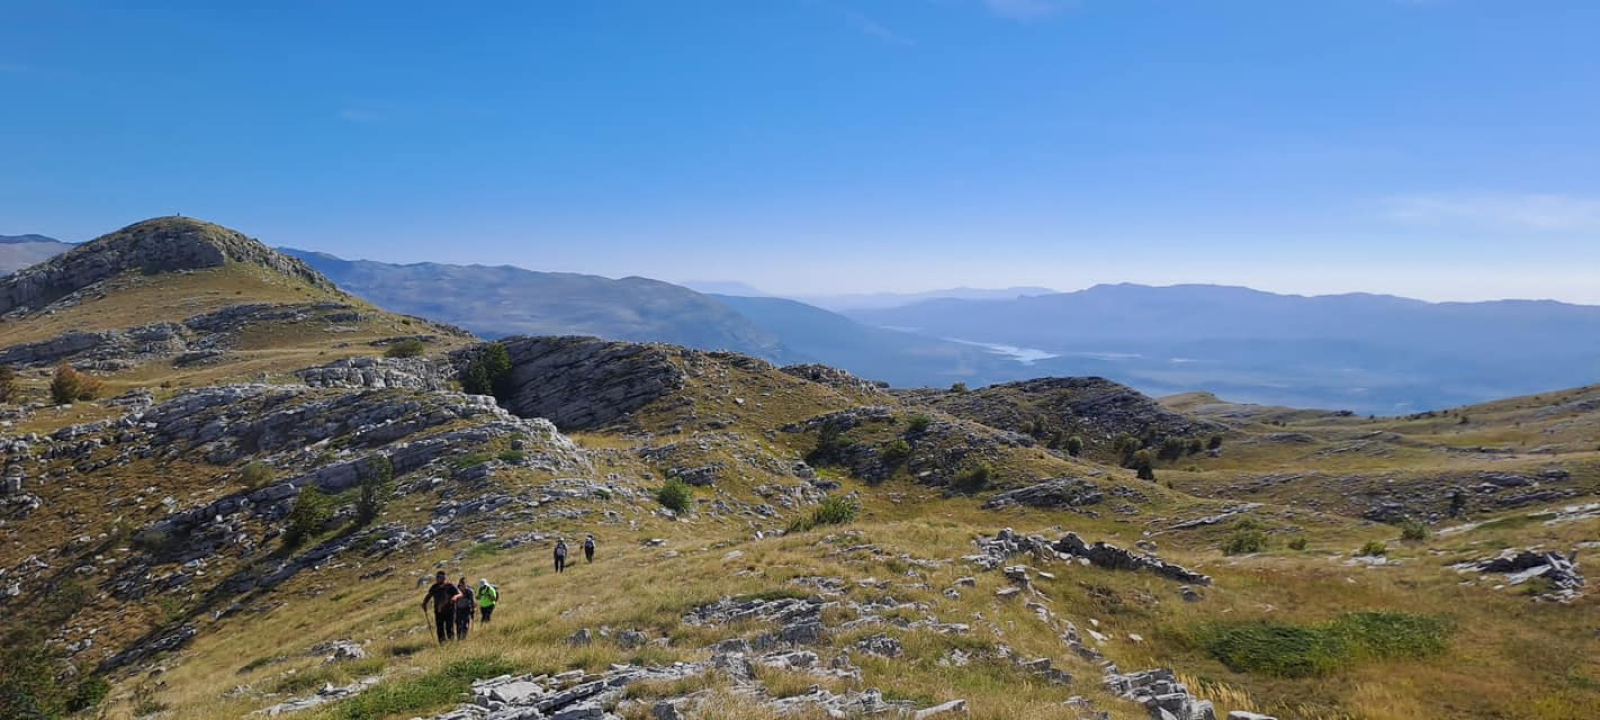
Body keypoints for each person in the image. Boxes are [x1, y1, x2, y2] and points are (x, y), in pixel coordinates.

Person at [422, 571, 458, 643]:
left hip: (449, 611)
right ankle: (442, 644)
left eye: (440, 577)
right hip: (438, 611)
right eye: (437, 577)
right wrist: (424, 603)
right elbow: (429, 595)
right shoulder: (434, 587)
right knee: (439, 629)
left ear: (444, 577)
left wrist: (454, 597)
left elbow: (459, 594)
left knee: (449, 628)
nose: (438, 579)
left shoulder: (450, 585)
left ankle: (452, 643)